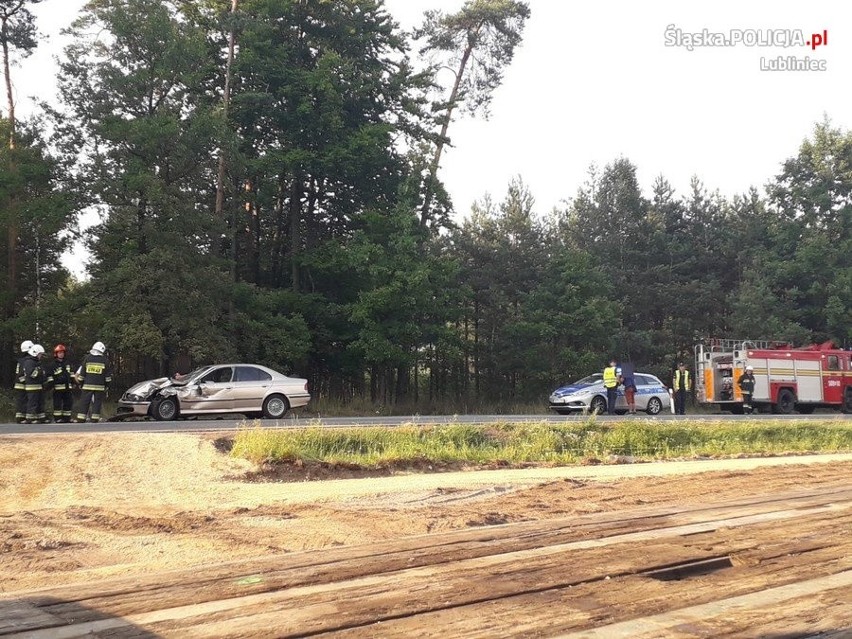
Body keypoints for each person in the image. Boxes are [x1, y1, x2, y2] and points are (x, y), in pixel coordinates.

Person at [74, 341, 112, 423]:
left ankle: (81, 418)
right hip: (100, 387)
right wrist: (106, 386)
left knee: (84, 401)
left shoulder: (87, 358)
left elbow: (82, 373)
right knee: (97, 402)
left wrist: (81, 383)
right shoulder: (105, 361)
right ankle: (95, 418)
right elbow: (108, 377)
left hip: (87, 386)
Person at [22, 344, 48, 424]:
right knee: (32, 403)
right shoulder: (29, 362)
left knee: (40, 403)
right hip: (32, 387)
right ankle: (30, 418)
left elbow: (43, 374)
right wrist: (40, 370)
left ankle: (41, 418)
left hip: (38, 386)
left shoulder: (36, 362)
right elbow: (33, 374)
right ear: (35, 353)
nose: (41, 356)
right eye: (40, 354)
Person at [50, 344, 76, 423]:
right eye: (59, 353)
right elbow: (50, 376)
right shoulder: (53, 365)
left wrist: (74, 382)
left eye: (62, 352)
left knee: (68, 403)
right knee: (57, 404)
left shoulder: (67, 363)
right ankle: (58, 419)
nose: (61, 354)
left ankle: (67, 418)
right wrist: (52, 384)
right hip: (58, 388)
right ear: (56, 354)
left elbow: (72, 374)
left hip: (67, 388)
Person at [14, 339, 34, 423]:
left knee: (21, 401)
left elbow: (18, 373)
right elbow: (23, 374)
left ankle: (20, 417)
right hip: (23, 384)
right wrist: (27, 381)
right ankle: (23, 418)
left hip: (19, 383)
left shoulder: (21, 360)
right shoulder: (27, 361)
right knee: (25, 400)